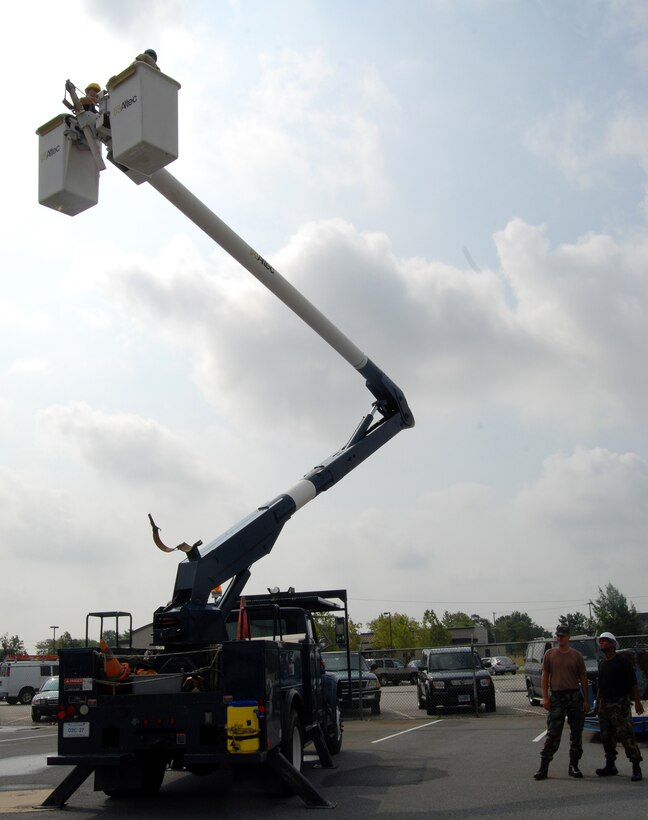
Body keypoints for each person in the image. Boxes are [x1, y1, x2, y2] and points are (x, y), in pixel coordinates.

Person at [533, 625, 589, 780]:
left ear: (569, 637)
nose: (560, 638)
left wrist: (585, 699)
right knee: (553, 733)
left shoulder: (576, 655)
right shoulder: (550, 654)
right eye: (558, 635)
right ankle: (543, 768)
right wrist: (545, 697)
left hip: (574, 696)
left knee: (576, 732)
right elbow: (545, 676)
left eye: (563, 636)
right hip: (557, 697)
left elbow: (583, 677)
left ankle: (574, 766)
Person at [594, 632, 643, 782]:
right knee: (606, 736)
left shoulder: (622, 661)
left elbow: (632, 682)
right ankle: (610, 765)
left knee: (626, 734)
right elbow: (600, 686)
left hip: (620, 703)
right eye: (600, 641)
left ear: (613, 644)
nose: (601, 643)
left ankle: (636, 767)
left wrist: (638, 701)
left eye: (605, 641)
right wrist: (597, 705)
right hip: (605, 704)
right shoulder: (602, 663)